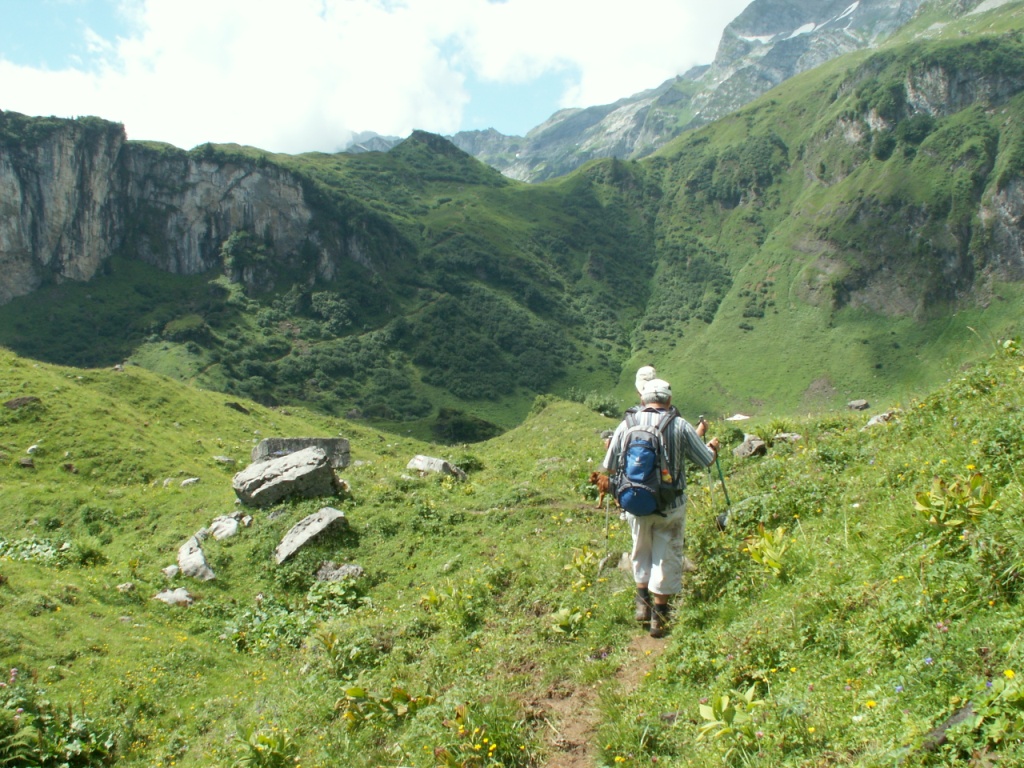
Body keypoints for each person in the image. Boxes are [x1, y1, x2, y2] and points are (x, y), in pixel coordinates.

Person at [601, 378, 719, 638]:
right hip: (670, 505)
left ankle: (641, 606)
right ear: (669, 400)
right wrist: (713, 448)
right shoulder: (679, 425)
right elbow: (706, 460)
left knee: (639, 549)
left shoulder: (627, 424)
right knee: (666, 554)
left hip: (635, 503)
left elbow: (609, 466)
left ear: (643, 400)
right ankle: (659, 616)